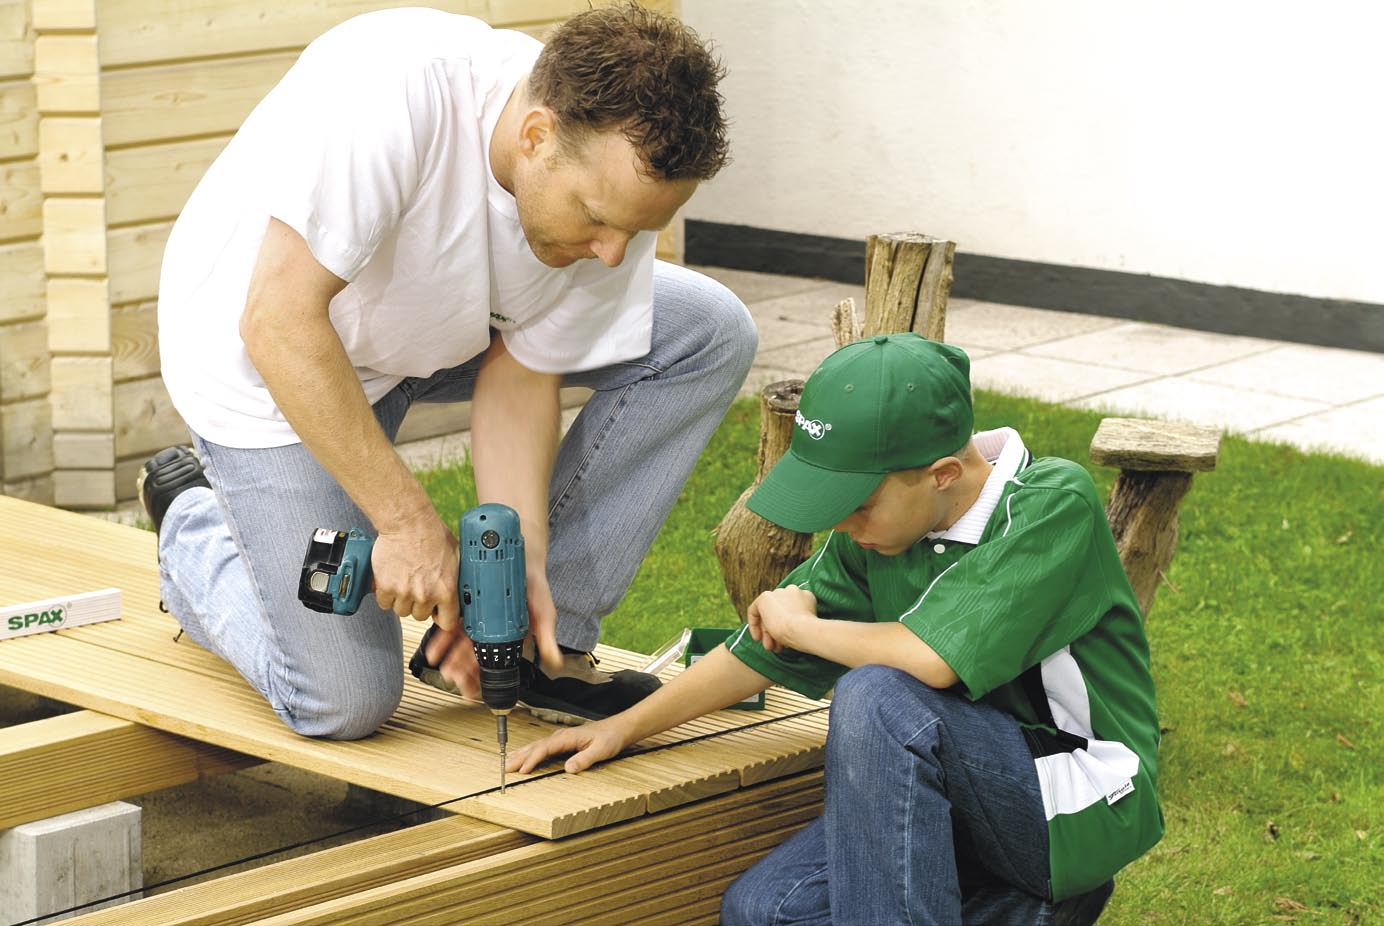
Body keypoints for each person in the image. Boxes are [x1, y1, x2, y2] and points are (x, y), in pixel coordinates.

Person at [138, 3, 756, 740]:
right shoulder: (395, 94)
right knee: (342, 703)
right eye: (597, 218)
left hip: (440, 329)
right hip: (272, 360)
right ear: (536, 136)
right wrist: (406, 524)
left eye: (637, 229)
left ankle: (527, 646)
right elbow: (278, 323)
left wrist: (514, 569)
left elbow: (524, 370)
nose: (615, 253)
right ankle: (192, 528)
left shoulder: (604, 197)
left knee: (706, 330)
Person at [509, 333, 1164, 924]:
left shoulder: (1052, 504)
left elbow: (929, 661)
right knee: (763, 911)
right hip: (955, 792)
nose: (842, 523)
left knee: (878, 697)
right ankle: (1033, 908)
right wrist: (623, 727)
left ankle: (1048, 887)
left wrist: (802, 628)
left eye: (857, 504)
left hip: (1073, 802)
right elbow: (758, 654)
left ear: (942, 476)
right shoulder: (879, 535)